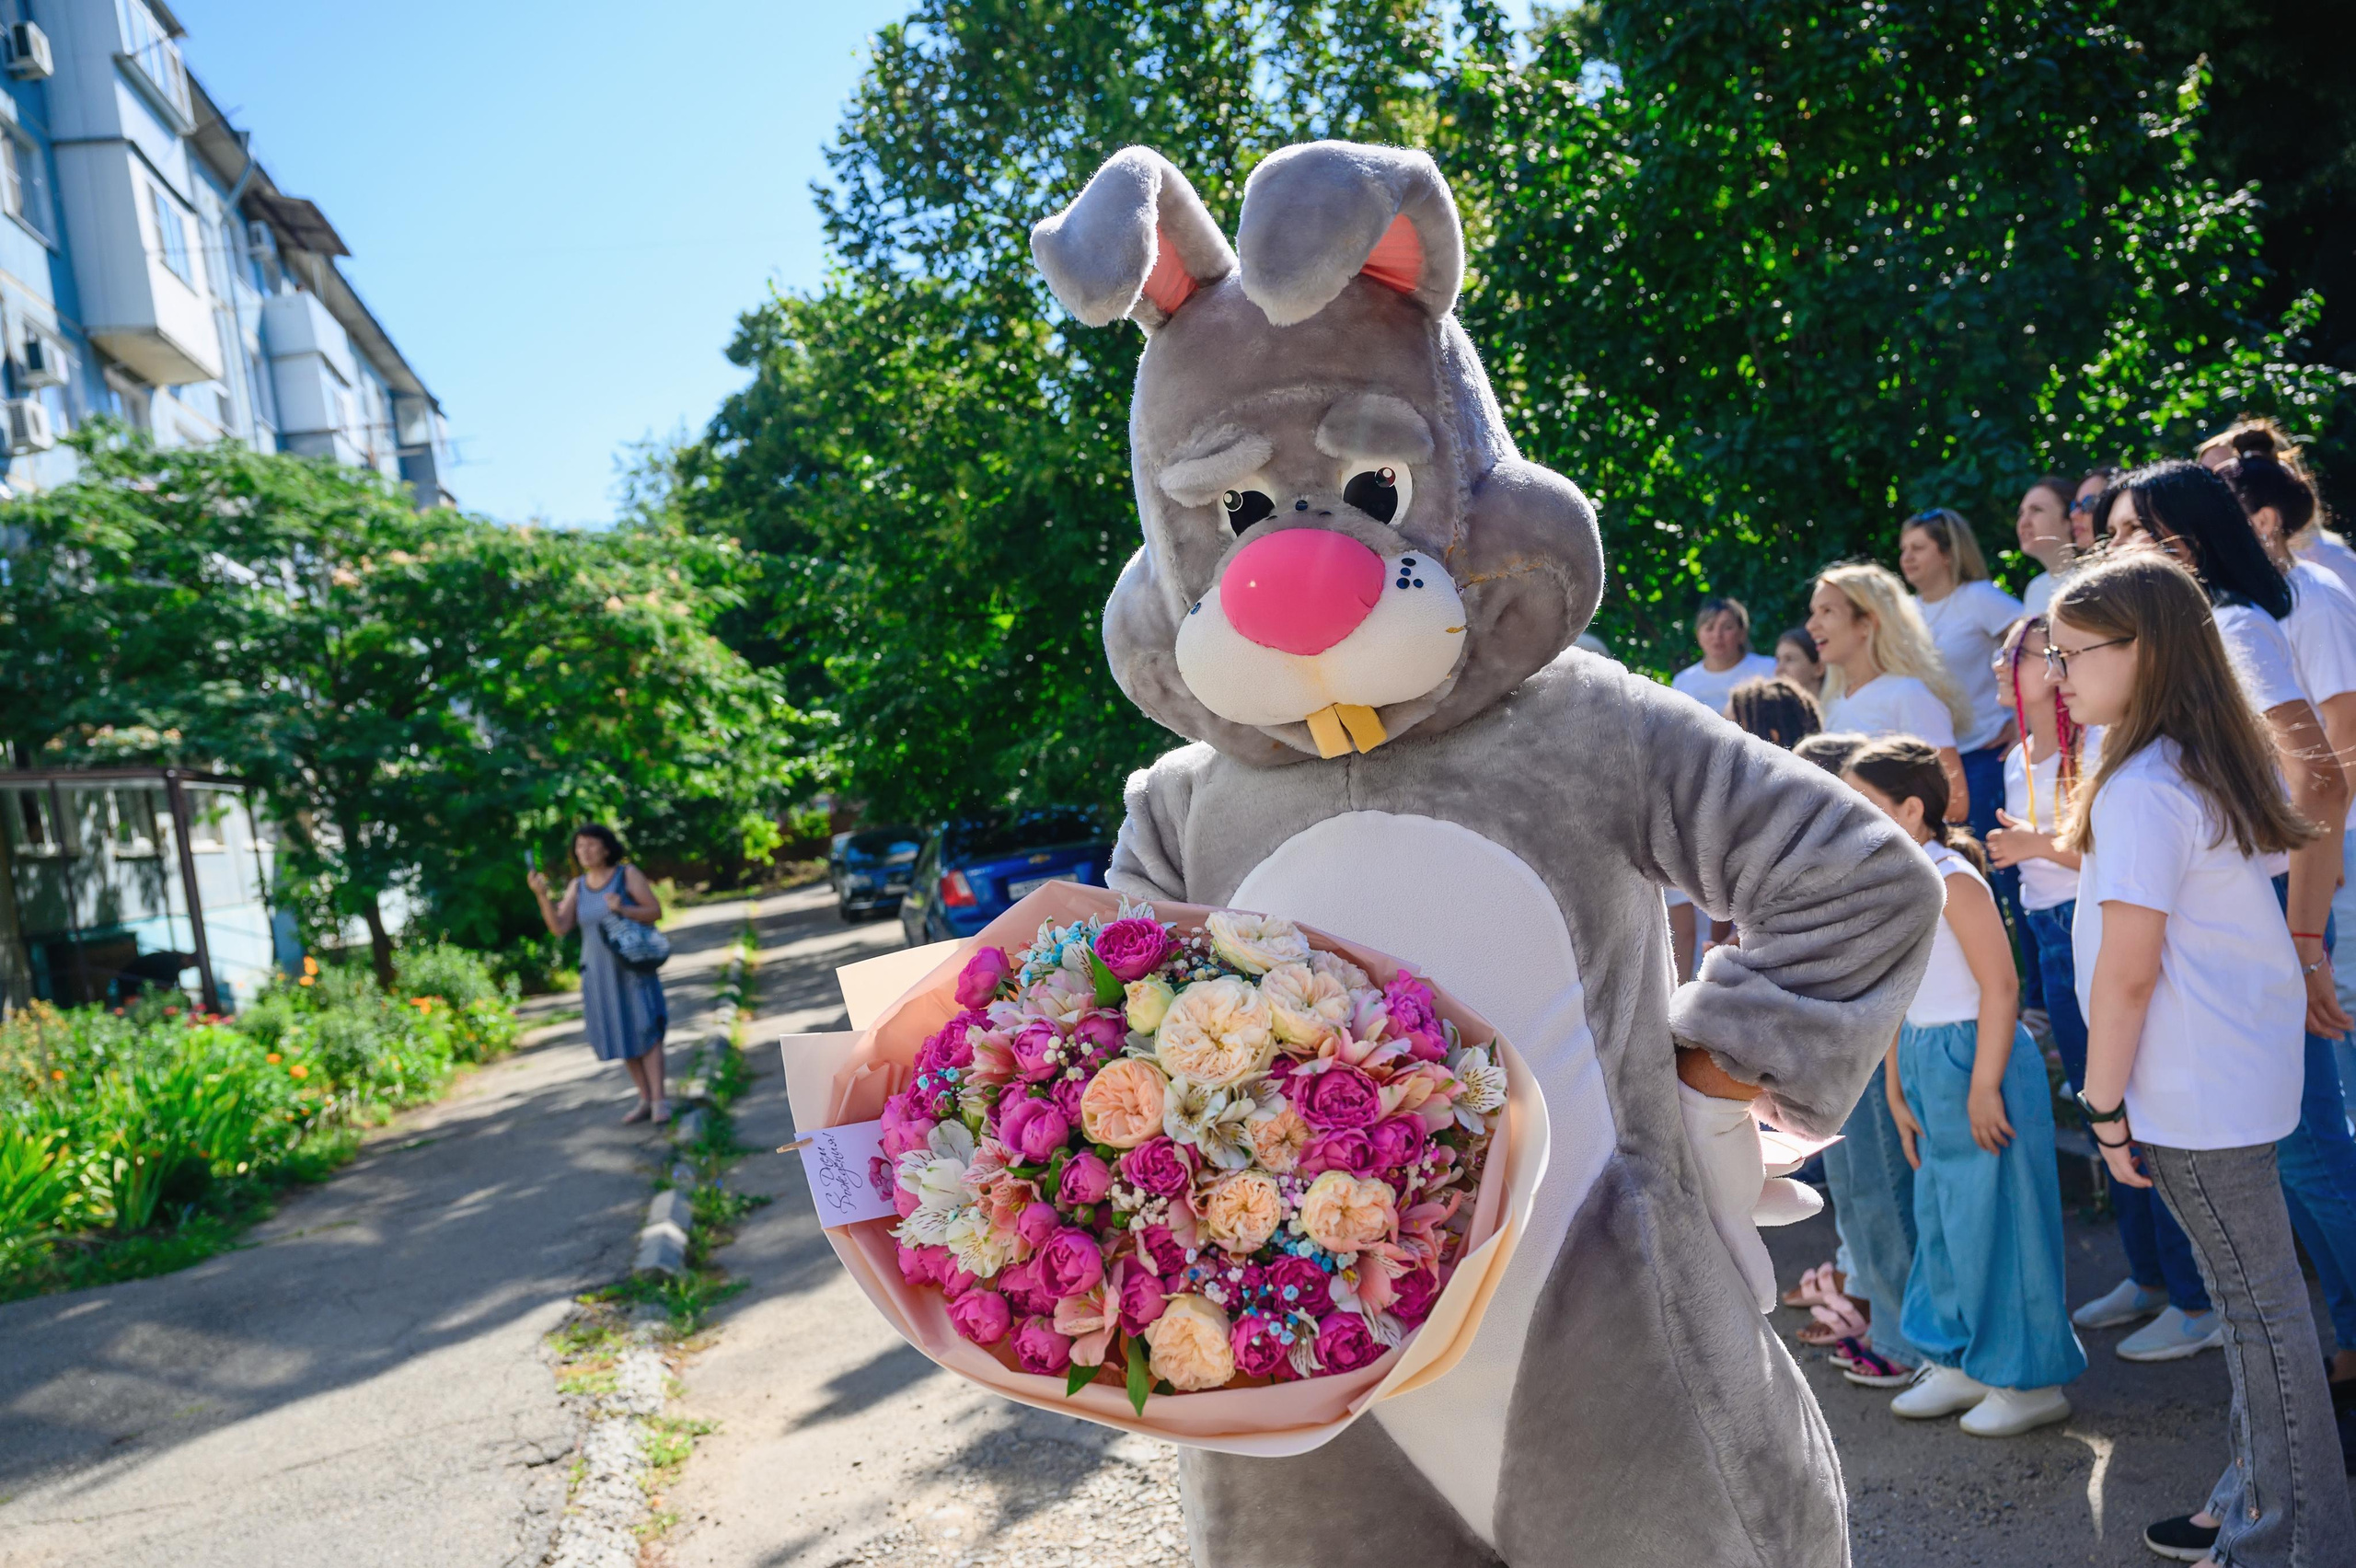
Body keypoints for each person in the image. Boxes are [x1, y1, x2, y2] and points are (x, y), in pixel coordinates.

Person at [2050, 552, 2356, 1567]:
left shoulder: (2145, 784)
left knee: (2262, 1325)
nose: (2058, 675)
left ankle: (2284, 1540)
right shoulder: (2202, 758)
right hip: (2231, 1078)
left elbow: (2127, 976)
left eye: (2072, 654)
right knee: (2264, 1315)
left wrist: (2100, 1106)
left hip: (2193, 1091)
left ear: (2143, 652)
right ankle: (2256, 1511)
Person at [1989, 618, 2219, 1357]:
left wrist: (2033, 846)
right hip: (2053, 942)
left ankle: (2195, 1299)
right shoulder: (2018, 755)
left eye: (2017, 653)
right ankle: (2149, 1278)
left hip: (2094, 935)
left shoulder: (2096, 749)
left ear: (2053, 669)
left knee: (2131, 1106)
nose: (2000, 664)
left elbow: (2119, 868)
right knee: (2100, 1113)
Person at [1844, 738, 2085, 1435]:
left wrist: (1984, 1088)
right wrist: (1894, 1085)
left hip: (1976, 1057)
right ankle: (1957, 1360)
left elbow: (2001, 987)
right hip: (1922, 1056)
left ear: (1911, 808)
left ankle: (2030, 1379)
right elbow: (1896, 993)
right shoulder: (1897, 880)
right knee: (1947, 1219)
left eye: (1864, 803)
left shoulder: (1953, 878)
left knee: (2001, 1218)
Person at [2223, 425, 2356, 1102]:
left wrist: (2327, 852)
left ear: (2265, 521)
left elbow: (2345, 732)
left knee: (2345, 1010)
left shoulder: (2314, 597)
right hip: (2312, 835)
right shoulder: (2259, 603)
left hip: (2340, 838)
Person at [1899, 510, 2029, 1001]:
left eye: (1918, 547)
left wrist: (2022, 721)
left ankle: (2027, 997)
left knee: (2007, 879)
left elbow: (2036, 639)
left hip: (1982, 758)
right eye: (1904, 548)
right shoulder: (1905, 612)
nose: (1906, 557)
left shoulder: (1978, 599)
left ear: (1948, 552)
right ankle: (1975, 989)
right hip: (1924, 767)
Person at [528, 824, 671, 1124]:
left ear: (606, 848)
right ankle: (644, 1099)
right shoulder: (577, 886)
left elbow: (655, 912)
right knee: (622, 1032)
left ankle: (660, 1101)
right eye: (580, 847)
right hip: (598, 973)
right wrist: (542, 896)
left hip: (631, 967)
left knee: (646, 1028)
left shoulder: (626, 875)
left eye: (591, 845)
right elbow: (559, 927)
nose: (585, 851)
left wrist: (623, 909)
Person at [1807, 561, 1971, 816]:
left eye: (1827, 611)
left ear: (1866, 623)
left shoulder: (1908, 694)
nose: (1811, 625)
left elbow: (1955, 804)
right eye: (1814, 612)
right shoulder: (1832, 702)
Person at [1669, 595, 1779, 712]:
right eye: (1709, 628)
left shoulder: (1770, 669)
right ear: (1698, 635)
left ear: (1742, 633)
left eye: (1727, 627)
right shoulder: (1683, 682)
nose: (1717, 635)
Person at [2015, 477, 2079, 618]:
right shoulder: (2035, 588)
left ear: (2070, 519)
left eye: (2037, 510)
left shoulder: (2092, 580)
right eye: (2021, 513)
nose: (2023, 522)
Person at [1773, 626, 1824, 696]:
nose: (1779, 669)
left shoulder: (1839, 705)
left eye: (1790, 659)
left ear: (1818, 669)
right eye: (1778, 660)